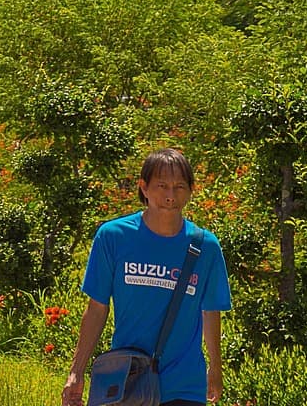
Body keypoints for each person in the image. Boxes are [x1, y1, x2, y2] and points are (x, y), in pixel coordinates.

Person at [62, 148, 231, 406]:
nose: (170, 195)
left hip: (184, 384)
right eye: (162, 185)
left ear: (190, 190)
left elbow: (211, 313)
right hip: (127, 379)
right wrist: (77, 371)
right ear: (143, 187)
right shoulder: (114, 237)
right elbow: (97, 308)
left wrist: (216, 369)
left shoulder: (206, 246)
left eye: (179, 187)